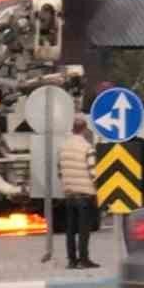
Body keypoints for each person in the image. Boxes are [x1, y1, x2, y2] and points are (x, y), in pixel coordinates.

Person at [57, 115, 99, 269]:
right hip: (85, 194)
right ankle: (84, 259)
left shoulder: (63, 148)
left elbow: (60, 171)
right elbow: (93, 172)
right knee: (83, 229)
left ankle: (71, 260)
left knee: (70, 229)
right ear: (85, 129)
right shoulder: (87, 148)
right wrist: (98, 190)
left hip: (69, 193)